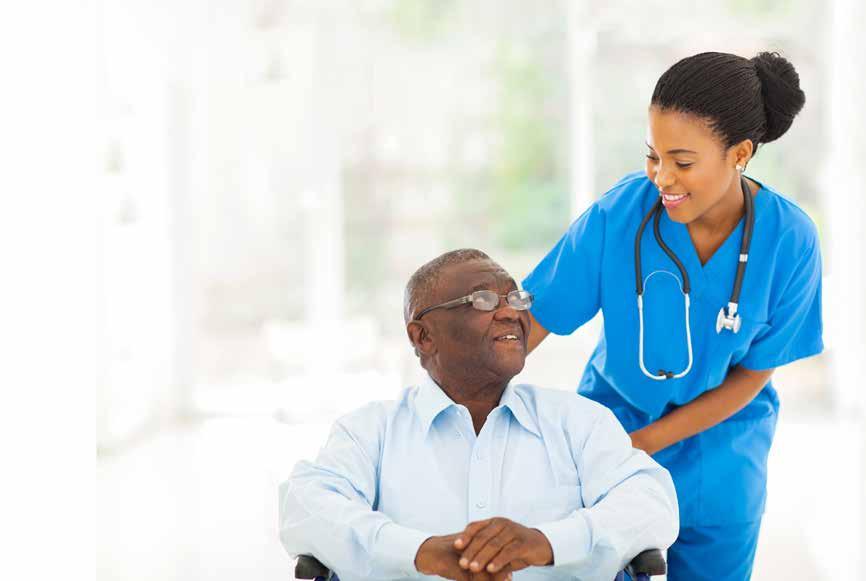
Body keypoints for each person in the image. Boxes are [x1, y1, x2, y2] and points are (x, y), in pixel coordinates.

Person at [522, 51, 822, 581]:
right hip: (610, 446)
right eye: (653, 156)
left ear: (740, 153)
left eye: (682, 163)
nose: (662, 177)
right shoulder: (619, 216)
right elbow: (532, 321)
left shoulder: (789, 240)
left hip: (722, 458)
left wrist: (644, 444)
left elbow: (754, 373)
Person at [280, 249, 679, 581]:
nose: (511, 313)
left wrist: (546, 543)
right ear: (423, 336)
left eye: (516, 299)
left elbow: (650, 502)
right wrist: (420, 552)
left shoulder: (578, 421)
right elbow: (306, 507)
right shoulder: (369, 431)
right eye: (484, 300)